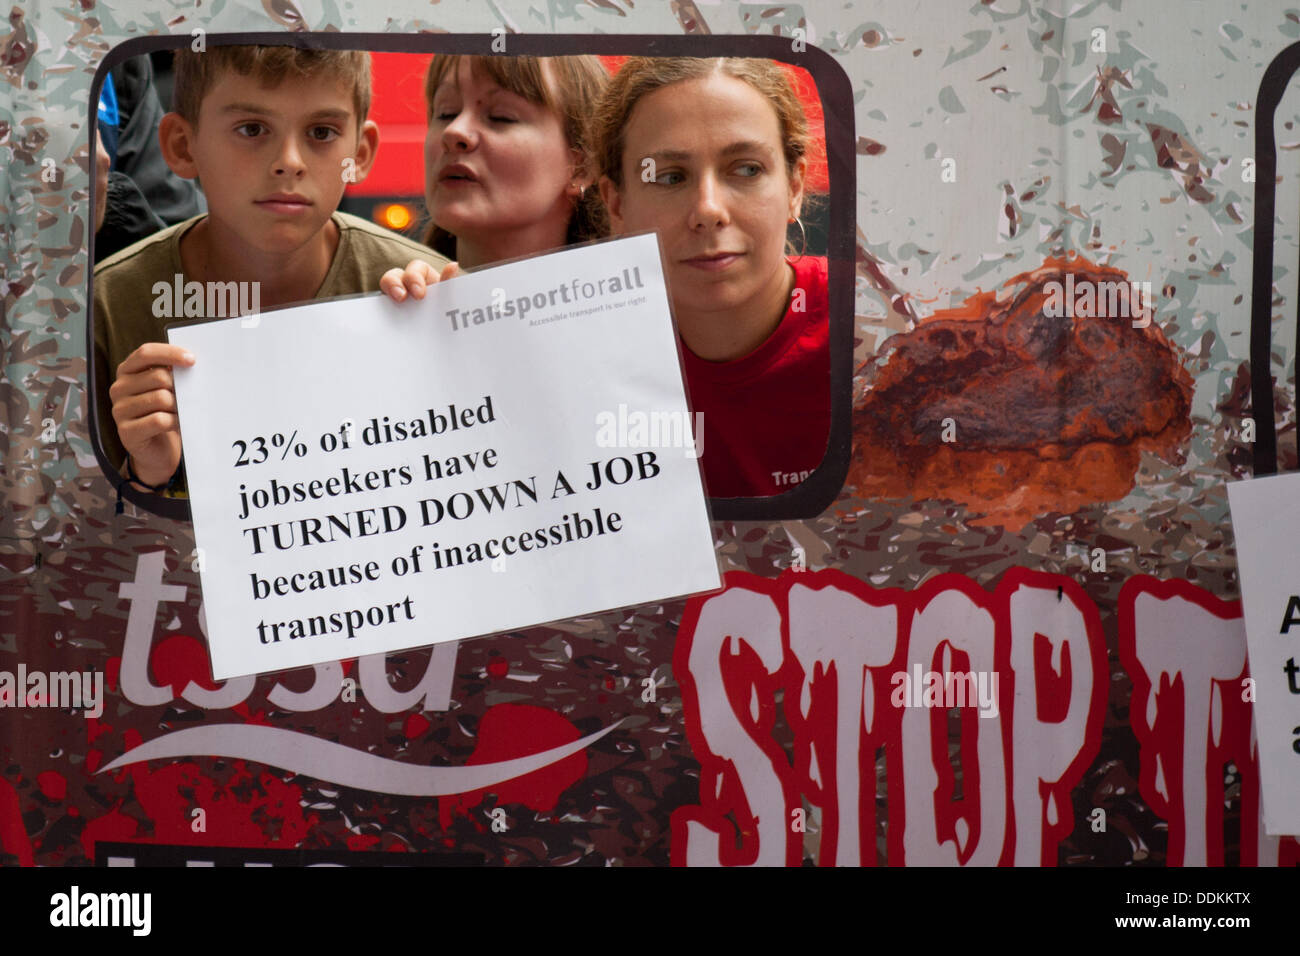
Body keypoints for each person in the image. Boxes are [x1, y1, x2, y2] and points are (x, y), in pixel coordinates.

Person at [94, 45, 450, 501]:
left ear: (359, 154)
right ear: (182, 147)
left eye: (322, 132)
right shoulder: (107, 309)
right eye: (251, 129)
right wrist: (146, 476)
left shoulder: (421, 297)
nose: (290, 161)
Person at [590, 57, 829, 498]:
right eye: (669, 177)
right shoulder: (577, 352)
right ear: (616, 204)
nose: (707, 210)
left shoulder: (879, 327)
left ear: (795, 187)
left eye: (746, 169)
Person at [380, 54, 608, 300]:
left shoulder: (632, 313)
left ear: (582, 166)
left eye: (501, 117)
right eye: (446, 113)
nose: (454, 131)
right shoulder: (392, 298)